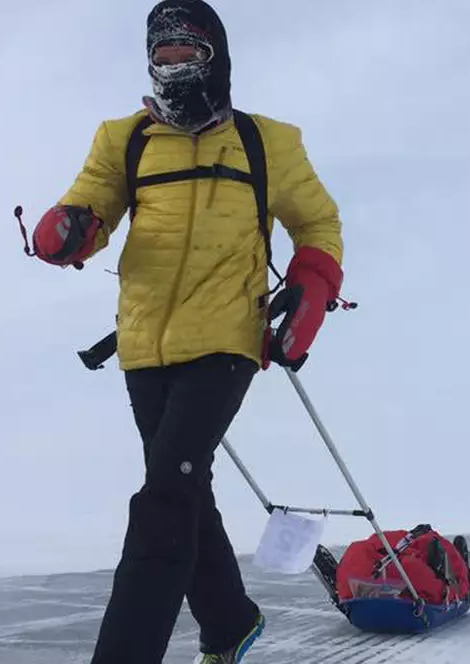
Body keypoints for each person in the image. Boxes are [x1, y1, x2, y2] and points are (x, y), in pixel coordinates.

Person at [27, 1, 345, 662]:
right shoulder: (125, 138)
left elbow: (317, 223)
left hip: (228, 338)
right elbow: (93, 200)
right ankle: (230, 624)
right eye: (161, 55)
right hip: (144, 343)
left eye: (186, 53)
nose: (173, 67)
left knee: (165, 497)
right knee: (186, 487)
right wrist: (72, 227)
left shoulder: (268, 141)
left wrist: (314, 285)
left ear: (214, 58)